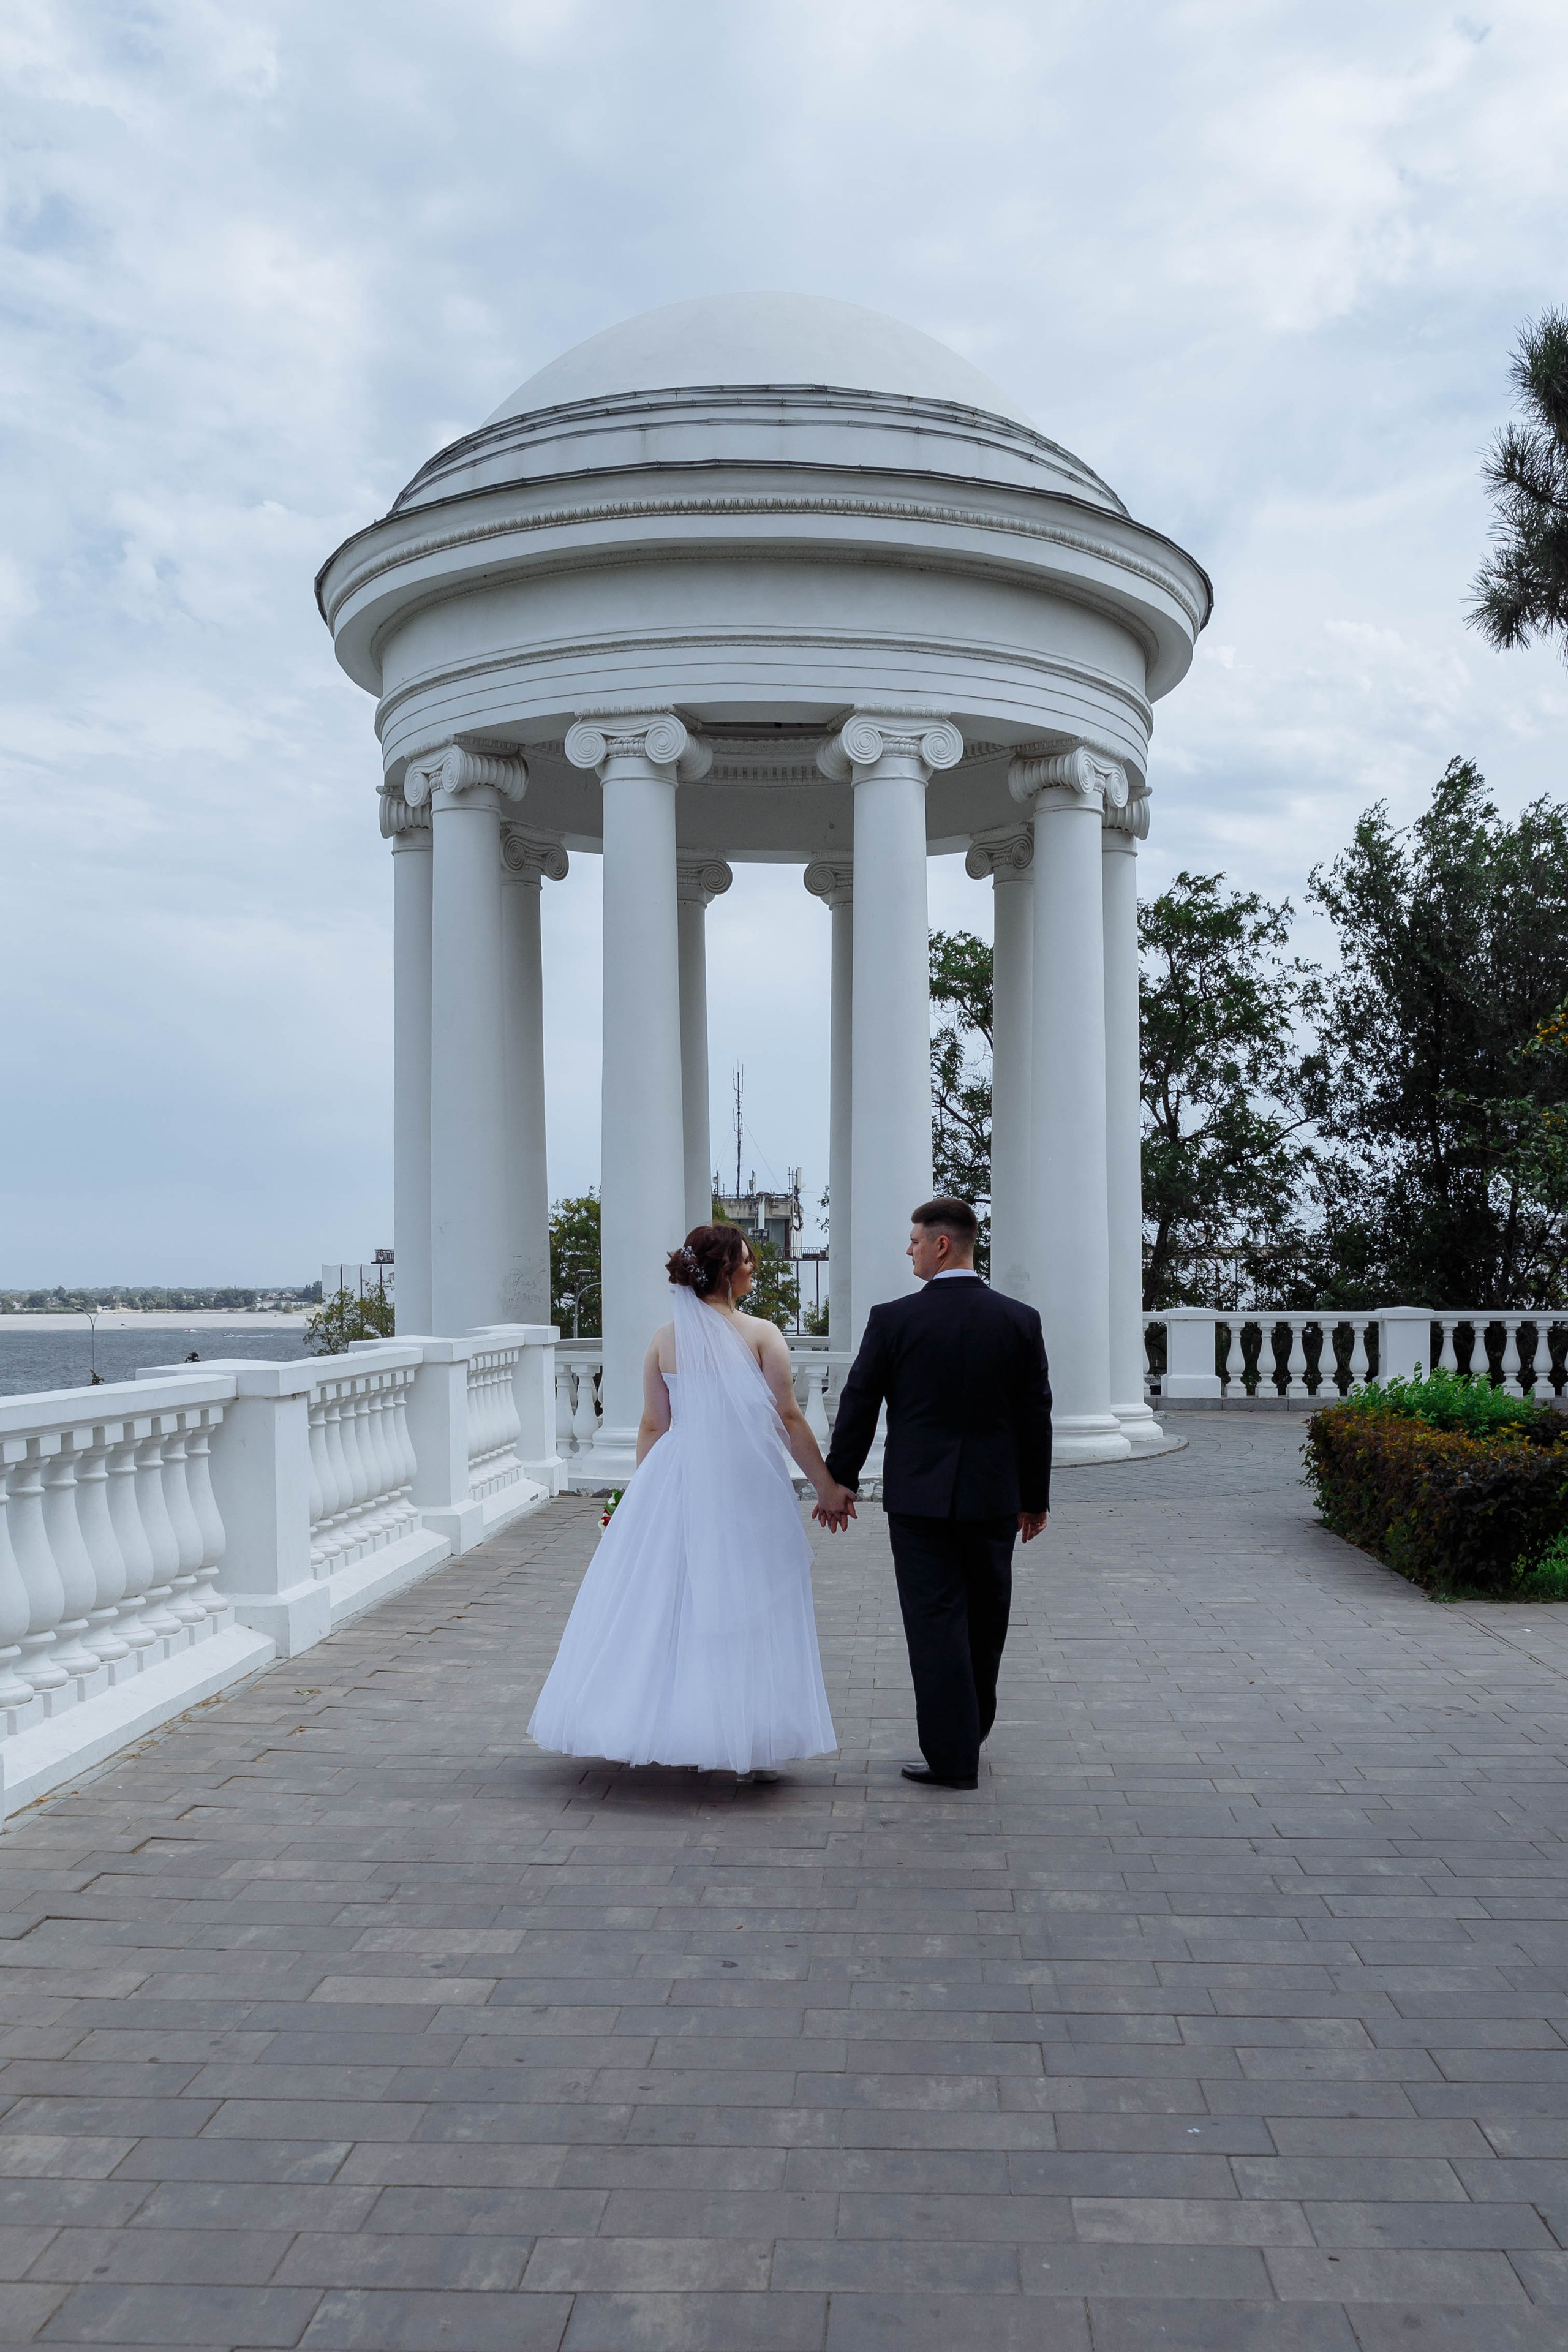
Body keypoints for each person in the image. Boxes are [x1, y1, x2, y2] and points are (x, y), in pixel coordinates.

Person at [528, 1224, 854, 1777]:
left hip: (676, 1474)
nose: (755, 1269)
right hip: (744, 1476)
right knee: (748, 1595)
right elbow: (788, 1417)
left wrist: (638, 1499)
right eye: (748, 1262)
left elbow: (654, 1425)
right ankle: (749, 1738)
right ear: (726, 1271)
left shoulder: (664, 1338)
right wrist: (825, 1485)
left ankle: (674, 1723)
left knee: (670, 1600)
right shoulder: (761, 1334)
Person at [819, 1197, 1052, 1791]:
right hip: (994, 1498)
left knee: (934, 1623)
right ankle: (968, 1734)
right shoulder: (1019, 1320)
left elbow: (859, 1403)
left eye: (915, 1240)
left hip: (919, 1501)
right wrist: (1035, 1497)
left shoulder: (893, 1320)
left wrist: (837, 1481)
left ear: (941, 1245)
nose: (909, 1249)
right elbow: (1035, 1416)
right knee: (985, 1621)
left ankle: (952, 1756)